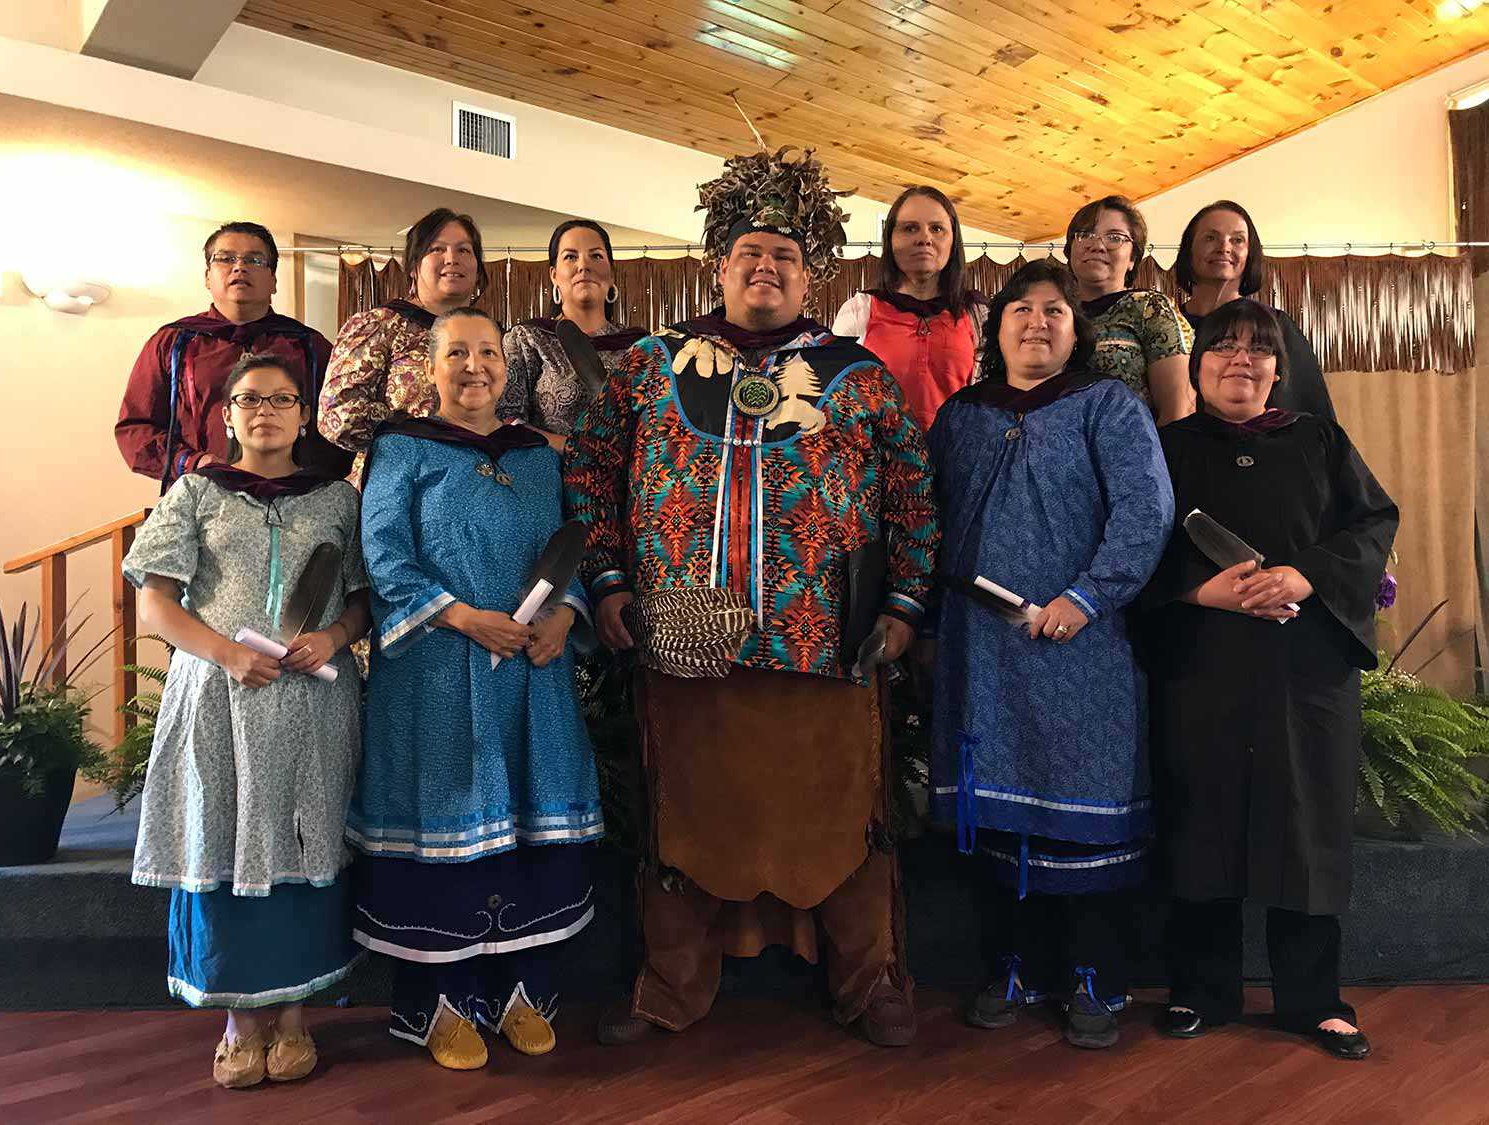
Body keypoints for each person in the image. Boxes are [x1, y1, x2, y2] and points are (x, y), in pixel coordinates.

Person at [565, 147, 939, 1049]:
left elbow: (912, 495)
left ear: (810, 274)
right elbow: (591, 474)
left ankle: (867, 977)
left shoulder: (857, 374)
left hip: (827, 641)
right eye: (747, 254)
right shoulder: (649, 366)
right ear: (718, 266)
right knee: (687, 817)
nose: (764, 267)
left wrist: (901, 606)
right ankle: (673, 983)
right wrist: (610, 581)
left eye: (783, 255)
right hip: (687, 640)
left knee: (844, 815)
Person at [348, 307, 603, 1071]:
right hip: (435, 671)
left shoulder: (536, 455)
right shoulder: (401, 447)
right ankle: (440, 1005)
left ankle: (523, 991)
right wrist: (463, 616)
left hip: (529, 671)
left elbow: (569, 550)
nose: (473, 366)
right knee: (447, 830)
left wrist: (565, 613)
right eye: (455, 352)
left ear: (507, 365)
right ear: (430, 367)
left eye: (487, 351)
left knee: (527, 824)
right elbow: (382, 554)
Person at [928, 259, 1174, 1049]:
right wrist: (926, 626)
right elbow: (925, 519)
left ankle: (1095, 976)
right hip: (981, 650)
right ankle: (1013, 965)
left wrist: (1086, 596)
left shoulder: (1109, 406)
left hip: (1086, 646)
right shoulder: (963, 415)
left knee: (1085, 818)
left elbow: (1146, 511)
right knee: (998, 814)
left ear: (1078, 331)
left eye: (1055, 311)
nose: (1038, 322)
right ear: (996, 329)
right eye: (1022, 310)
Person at [1143, 299, 1397, 1060]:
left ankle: (1316, 999)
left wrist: (1305, 574)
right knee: (1202, 821)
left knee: (1306, 828)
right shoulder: (1165, 447)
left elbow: (1373, 523)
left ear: (1280, 369)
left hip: (1305, 669)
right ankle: (1201, 987)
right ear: (1197, 365)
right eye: (1223, 349)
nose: (1240, 362)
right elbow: (1135, 541)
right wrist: (1197, 591)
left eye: (1258, 351)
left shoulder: (1318, 439)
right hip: (1203, 666)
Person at [121, 353, 371, 1088]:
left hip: (311, 697)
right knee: (222, 836)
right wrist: (226, 652)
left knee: (306, 833)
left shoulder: (336, 499)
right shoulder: (196, 492)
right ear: (226, 414)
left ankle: (295, 1015)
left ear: (303, 414)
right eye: (249, 399)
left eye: (282, 398)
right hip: (219, 696)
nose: (265, 410)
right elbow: (155, 601)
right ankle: (238, 1019)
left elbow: (359, 598)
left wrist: (334, 636)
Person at [116, 221, 350, 488]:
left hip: (293, 499)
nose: (240, 266)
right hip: (202, 494)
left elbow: (339, 429)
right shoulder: (172, 343)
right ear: (207, 276)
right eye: (225, 258)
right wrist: (193, 463)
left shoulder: (310, 346)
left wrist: (308, 478)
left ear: (273, 280)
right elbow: (135, 429)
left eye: (255, 260)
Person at [318, 208, 490, 481]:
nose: (451, 259)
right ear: (413, 267)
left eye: (464, 250)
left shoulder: (490, 336)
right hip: (397, 483)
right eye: (437, 249)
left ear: (478, 269)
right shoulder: (380, 324)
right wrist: (418, 430)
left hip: (473, 480)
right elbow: (338, 415)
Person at [831, 186, 989, 431]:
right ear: (891, 239)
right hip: (882, 462)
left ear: (953, 240)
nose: (924, 238)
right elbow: (838, 401)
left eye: (937, 228)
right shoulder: (859, 311)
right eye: (910, 228)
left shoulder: (977, 314)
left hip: (957, 461)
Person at [1175, 200, 1336, 420]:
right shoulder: (1165, 324)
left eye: (1237, 240)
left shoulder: (1276, 325)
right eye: (1210, 237)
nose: (1224, 247)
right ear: (1189, 250)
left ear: (1250, 254)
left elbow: (1310, 414)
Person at [499, 219, 646, 448]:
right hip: (547, 477)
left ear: (611, 273)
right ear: (554, 275)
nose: (583, 265)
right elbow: (506, 420)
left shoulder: (640, 345)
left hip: (624, 479)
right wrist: (578, 450)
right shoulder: (527, 339)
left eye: (596, 256)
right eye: (570, 256)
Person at [1064, 195, 1194, 426]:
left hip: (1134, 454)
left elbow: (1178, 411)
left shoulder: (1150, 307)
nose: (1097, 245)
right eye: (1085, 234)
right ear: (1071, 248)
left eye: (1115, 237)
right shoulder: (1053, 311)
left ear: (1133, 257)